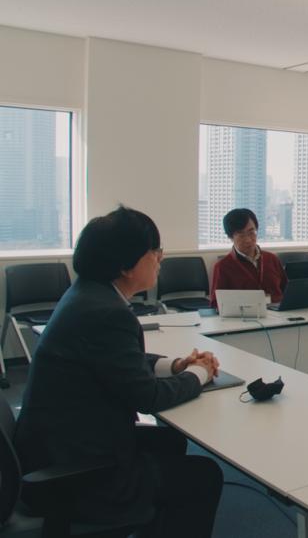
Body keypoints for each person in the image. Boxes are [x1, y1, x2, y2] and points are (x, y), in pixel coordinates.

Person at [14, 206, 223, 538]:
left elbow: (116, 360)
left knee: (169, 441)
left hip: (55, 444)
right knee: (204, 475)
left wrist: (177, 365)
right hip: (71, 470)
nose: (160, 258)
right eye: (154, 251)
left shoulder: (87, 295)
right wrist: (199, 373)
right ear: (126, 265)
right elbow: (148, 398)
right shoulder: (106, 312)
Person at [209, 208, 288, 308]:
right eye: (241, 235)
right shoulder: (222, 267)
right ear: (230, 237)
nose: (248, 240)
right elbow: (215, 304)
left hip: (278, 313)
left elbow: (287, 290)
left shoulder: (271, 259)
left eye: (251, 232)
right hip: (245, 315)